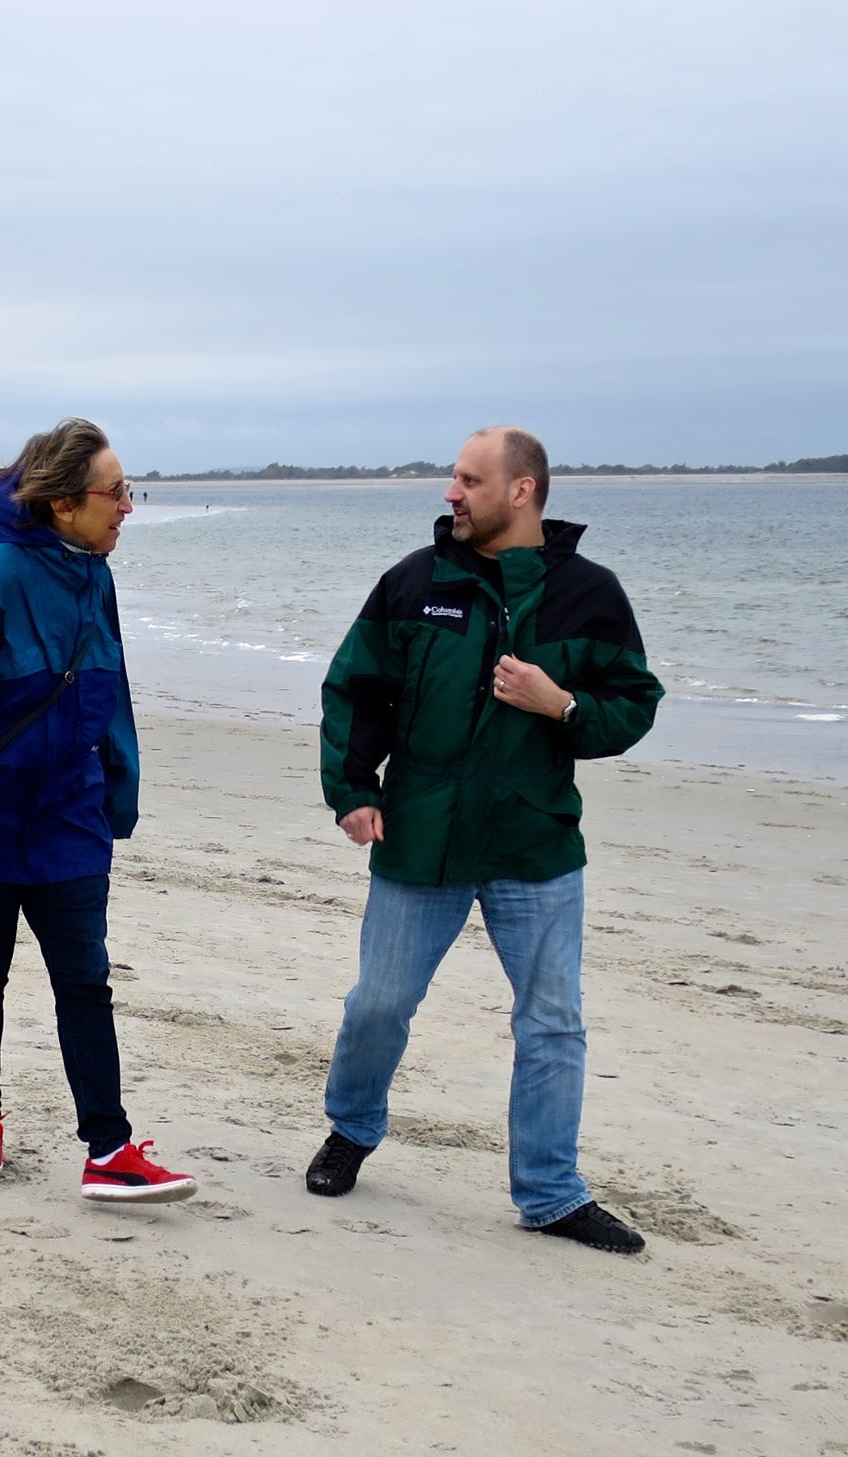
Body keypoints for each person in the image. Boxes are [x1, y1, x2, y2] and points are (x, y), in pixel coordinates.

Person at [310, 426, 664, 1254]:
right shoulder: (415, 581)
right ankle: (351, 1129)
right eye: (455, 479)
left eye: (470, 480)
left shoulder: (591, 594)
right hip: (422, 836)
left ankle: (551, 1193)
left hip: (533, 842)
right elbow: (355, 689)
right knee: (378, 1005)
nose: (451, 493)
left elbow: (633, 706)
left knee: (553, 1023)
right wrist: (353, 790)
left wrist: (560, 704)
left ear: (522, 490)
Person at [0, 417, 196, 1203]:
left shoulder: (97, 579)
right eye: (117, 491)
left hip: (69, 819)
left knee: (86, 981)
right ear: (66, 502)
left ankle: (109, 1148)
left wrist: (120, 788)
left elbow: (111, 689)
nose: (128, 506)